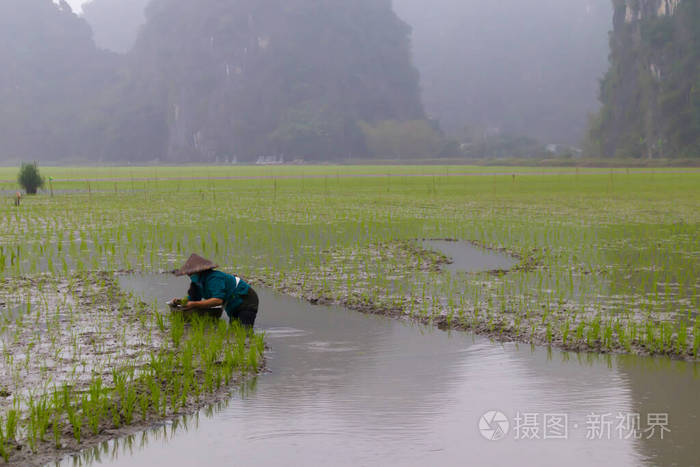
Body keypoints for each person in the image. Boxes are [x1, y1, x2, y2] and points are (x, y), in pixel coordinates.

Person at [172, 254, 259, 327]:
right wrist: (180, 302)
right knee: (234, 330)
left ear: (200, 271)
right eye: (188, 274)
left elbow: (217, 300)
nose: (190, 276)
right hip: (231, 303)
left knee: (244, 331)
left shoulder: (214, 278)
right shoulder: (197, 283)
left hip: (245, 299)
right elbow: (192, 299)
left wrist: (194, 304)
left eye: (191, 273)